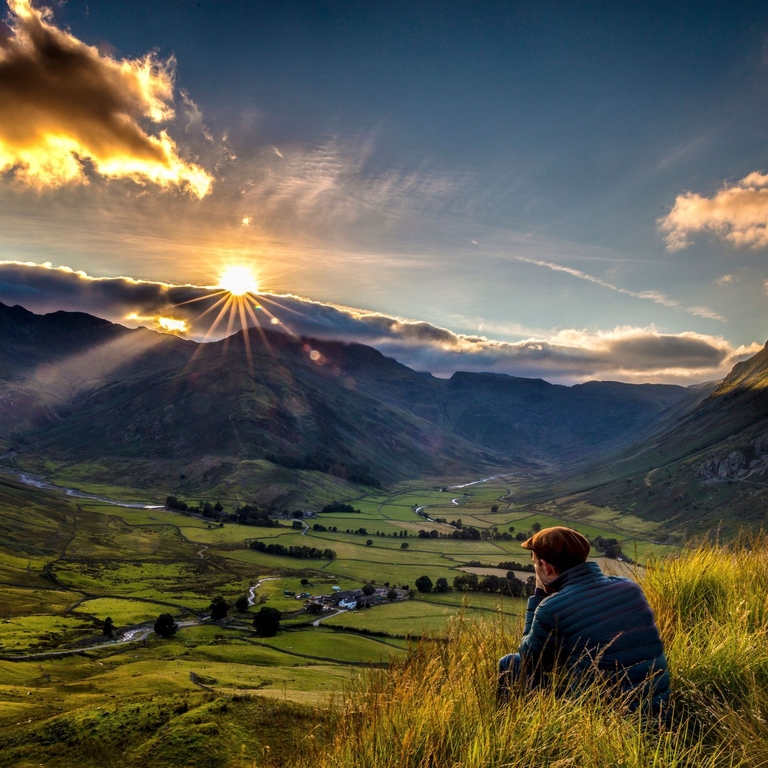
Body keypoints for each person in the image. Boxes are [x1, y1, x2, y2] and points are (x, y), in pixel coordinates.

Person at [498, 526, 669, 714]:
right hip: (659, 712)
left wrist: (539, 593)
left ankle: (509, 728)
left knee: (511, 664)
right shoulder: (630, 587)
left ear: (547, 567)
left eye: (535, 564)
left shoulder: (551, 609)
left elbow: (531, 660)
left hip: (601, 722)